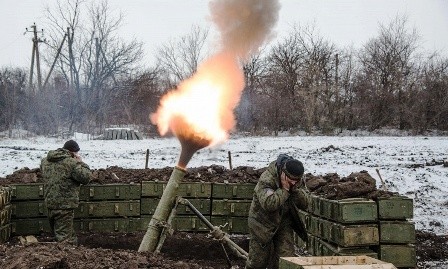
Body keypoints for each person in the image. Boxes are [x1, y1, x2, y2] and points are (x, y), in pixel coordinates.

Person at [245, 154, 309, 269]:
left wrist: (295, 191)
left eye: (297, 180)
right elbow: (269, 204)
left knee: (286, 260)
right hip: (262, 224)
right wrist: (284, 190)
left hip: (283, 222)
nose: (294, 183)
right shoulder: (267, 179)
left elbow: (306, 203)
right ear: (283, 173)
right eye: (291, 180)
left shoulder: (296, 180)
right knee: (257, 262)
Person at [40, 139, 92, 245]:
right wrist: (81, 163)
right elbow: (86, 178)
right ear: (73, 152)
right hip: (64, 206)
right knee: (65, 239)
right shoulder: (72, 163)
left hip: (49, 204)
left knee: (60, 234)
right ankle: (65, 257)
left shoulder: (45, 161)